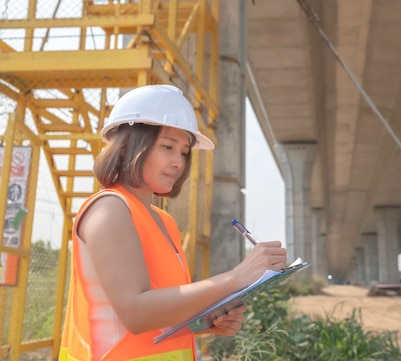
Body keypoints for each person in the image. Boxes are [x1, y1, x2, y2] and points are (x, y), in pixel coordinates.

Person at [59, 85, 287, 361]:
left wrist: (206, 321)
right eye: (167, 147)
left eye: (184, 151)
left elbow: (156, 318)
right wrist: (235, 278)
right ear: (124, 148)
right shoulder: (109, 209)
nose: (178, 162)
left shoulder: (163, 221)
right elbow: (135, 313)